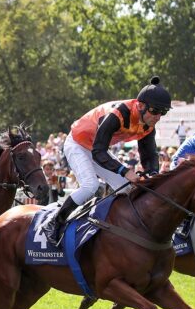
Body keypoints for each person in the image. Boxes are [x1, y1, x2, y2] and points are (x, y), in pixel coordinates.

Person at [42, 76, 171, 246]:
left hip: (96, 148)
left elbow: (149, 154)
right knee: (90, 186)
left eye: (163, 112)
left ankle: (117, 230)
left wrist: (152, 174)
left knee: (129, 188)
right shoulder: (118, 114)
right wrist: (124, 171)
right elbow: (99, 152)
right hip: (77, 144)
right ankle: (54, 222)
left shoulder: (148, 125)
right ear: (140, 105)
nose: (158, 116)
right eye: (155, 111)